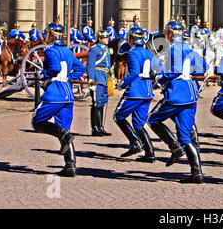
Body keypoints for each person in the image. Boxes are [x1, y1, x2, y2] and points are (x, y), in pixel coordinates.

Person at [147, 22, 208, 183]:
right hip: (191, 94)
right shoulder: (190, 50)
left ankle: (174, 147)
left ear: (169, 35)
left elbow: (175, 71)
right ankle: (197, 173)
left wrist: (159, 77)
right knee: (185, 135)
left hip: (177, 93)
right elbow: (203, 68)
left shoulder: (174, 49)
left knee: (153, 119)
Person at [31, 22, 86, 177]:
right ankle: (70, 166)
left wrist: (44, 75)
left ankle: (63, 135)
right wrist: (69, 78)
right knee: (65, 129)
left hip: (55, 93)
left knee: (37, 121)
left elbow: (54, 69)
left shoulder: (50, 51)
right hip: (68, 94)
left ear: (52, 35)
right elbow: (81, 68)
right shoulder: (68, 52)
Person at [114, 27, 164, 162]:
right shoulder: (148, 53)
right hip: (147, 91)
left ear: (131, 39)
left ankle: (135, 143)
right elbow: (160, 70)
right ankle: (150, 153)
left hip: (135, 91)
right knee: (139, 124)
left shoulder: (133, 53)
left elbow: (134, 73)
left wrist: (122, 84)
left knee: (118, 116)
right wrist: (152, 82)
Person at [86, 30, 112, 137]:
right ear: (99, 39)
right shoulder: (94, 49)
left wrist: (110, 76)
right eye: (104, 37)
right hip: (97, 77)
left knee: (102, 102)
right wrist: (91, 78)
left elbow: (108, 65)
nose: (107, 39)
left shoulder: (106, 50)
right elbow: (90, 65)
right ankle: (95, 128)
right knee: (96, 103)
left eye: (107, 37)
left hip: (104, 78)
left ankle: (101, 127)